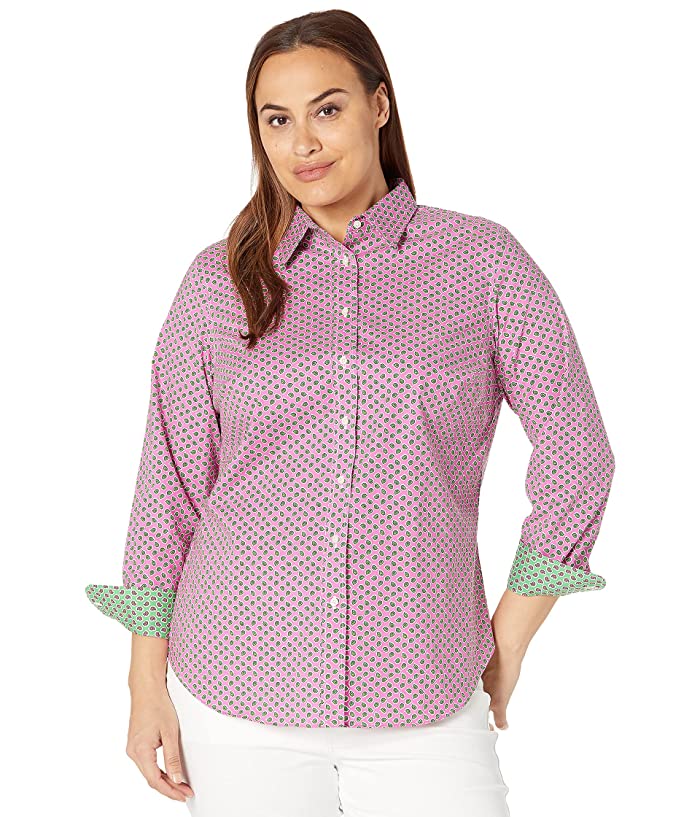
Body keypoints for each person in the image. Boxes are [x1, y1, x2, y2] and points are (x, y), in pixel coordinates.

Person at [84, 9, 615, 817]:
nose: (303, 142)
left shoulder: (482, 262)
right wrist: (144, 681)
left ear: (379, 104)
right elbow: (171, 489)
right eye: (277, 120)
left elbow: (578, 459)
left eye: (327, 109)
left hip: (425, 683)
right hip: (234, 684)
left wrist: (507, 640)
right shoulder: (217, 282)